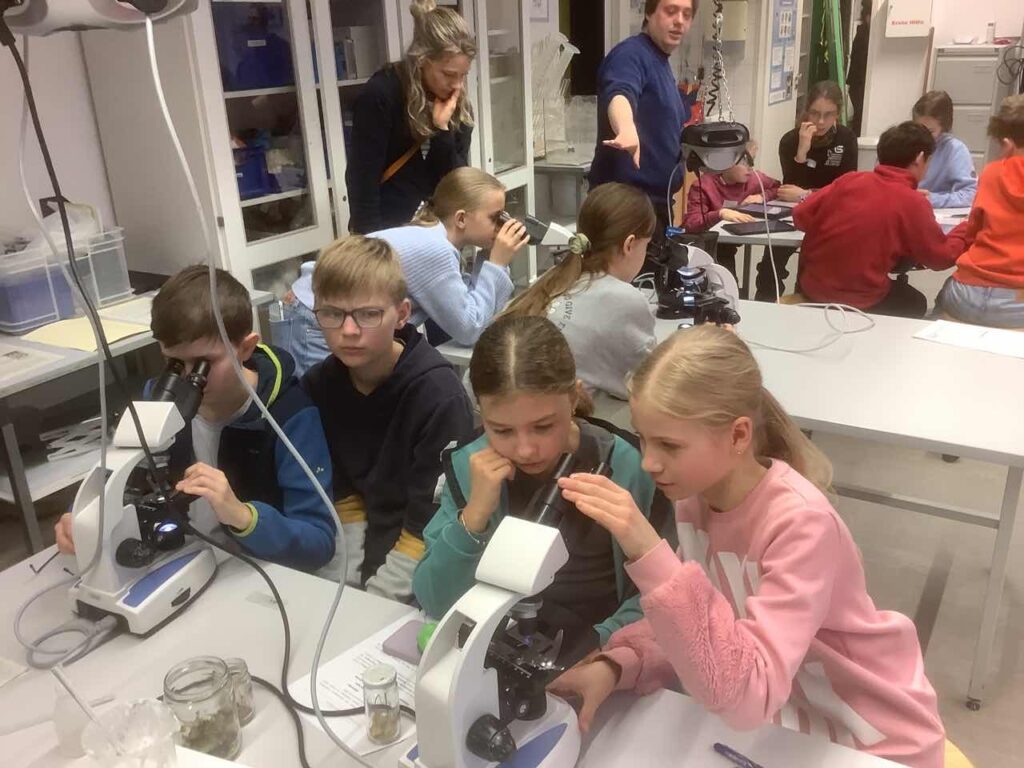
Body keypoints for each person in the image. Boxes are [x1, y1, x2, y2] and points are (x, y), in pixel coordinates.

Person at [549, 325, 945, 768]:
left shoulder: (800, 523)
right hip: (784, 728)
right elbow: (701, 623)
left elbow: (746, 695)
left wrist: (649, 553)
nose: (648, 462)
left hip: (871, 740)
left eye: (669, 445)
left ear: (738, 436)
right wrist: (617, 665)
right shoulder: (696, 499)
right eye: (643, 438)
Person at [412, 315, 673, 665]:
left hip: (603, 652)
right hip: (501, 645)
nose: (525, 450)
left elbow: (663, 596)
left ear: (574, 397)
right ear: (481, 414)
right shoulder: (470, 465)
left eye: (543, 426)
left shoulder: (632, 468)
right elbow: (436, 599)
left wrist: (600, 650)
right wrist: (472, 518)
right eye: (501, 430)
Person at [54, 267, 337, 574]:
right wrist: (84, 515)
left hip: (261, 567)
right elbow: (118, 473)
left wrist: (244, 517)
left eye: (204, 364)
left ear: (245, 348)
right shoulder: (159, 399)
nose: (189, 379)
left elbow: (319, 543)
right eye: (174, 363)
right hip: (185, 555)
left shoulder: (290, 415)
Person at [301, 235, 474, 601]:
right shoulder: (319, 385)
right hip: (348, 555)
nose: (349, 331)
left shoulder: (439, 397)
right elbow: (341, 496)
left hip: (417, 567)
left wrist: (375, 600)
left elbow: (429, 521)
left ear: (402, 314)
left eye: (368, 314)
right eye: (332, 314)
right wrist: (343, 588)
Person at [280, 168, 529, 364]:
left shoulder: (434, 236)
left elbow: (472, 308)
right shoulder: (435, 249)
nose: (502, 225)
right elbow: (469, 328)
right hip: (319, 316)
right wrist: (497, 263)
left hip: (330, 312)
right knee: (322, 407)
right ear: (461, 219)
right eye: (495, 217)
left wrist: (490, 258)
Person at [792, 121, 969, 317]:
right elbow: (940, 258)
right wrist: (966, 229)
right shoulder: (913, 202)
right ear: (920, 158)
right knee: (915, 303)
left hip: (812, 287)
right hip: (860, 298)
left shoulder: (849, 180)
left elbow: (800, 216)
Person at [499, 183, 657, 400]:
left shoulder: (553, 278)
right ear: (629, 244)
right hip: (548, 417)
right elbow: (651, 388)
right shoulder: (626, 301)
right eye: (646, 245)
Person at [345, 0, 476, 234]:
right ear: (422, 60)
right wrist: (372, 242)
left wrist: (441, 130)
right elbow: (362, 181)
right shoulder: (382, 93)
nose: (457, 85)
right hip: (390, 230)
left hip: (439, 230)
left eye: (463, 75)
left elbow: (455, 184)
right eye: (448, 74)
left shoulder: (458, 103)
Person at [589, 0, 697, 264]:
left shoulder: (660, 62)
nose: (679, 21)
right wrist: (626, 128)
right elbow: (620, 93)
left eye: (687, 14)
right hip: (625, 211)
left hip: (655, 207)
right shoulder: (630, 55)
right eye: (670, 11)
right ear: (649, 12)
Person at [757, 81, 859, 301]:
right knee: (769, 268)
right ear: (806, 111)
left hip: (831, 214)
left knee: (813, 270)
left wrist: (807, 195)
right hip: (793, 213)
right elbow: (789, 188)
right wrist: (802, 152)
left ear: (837, 114)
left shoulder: (847, 139)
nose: (820, 121)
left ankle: (805, 303)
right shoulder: (790, 140)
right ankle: (764, 306)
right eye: (815, 113)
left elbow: (846, 189)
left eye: (828, 114)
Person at [937, 95, 1024, 328]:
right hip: (1018, 300)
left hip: (967, 294)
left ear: (1007, 144)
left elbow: (972, 232)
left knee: (942, 300)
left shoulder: (992, 173)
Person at [683, 141, 781, 278]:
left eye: (752, 161)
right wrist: (720, 214)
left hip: (730, 243)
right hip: (706, 247)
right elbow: (691, 223)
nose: (750, 168)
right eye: (744, 162)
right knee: (723, 277)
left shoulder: (754, 179)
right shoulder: (704, 185)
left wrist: (762, 196)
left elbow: (778, 188)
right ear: (725, 163)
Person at [912, 90, 979, 209]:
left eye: (930, 131)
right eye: (918, 128)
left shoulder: (955, 150)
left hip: (934, 212)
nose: (923, 135)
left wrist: (932, 199)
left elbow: (970, 195)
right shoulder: (904, 142)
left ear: (943, 127)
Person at [847, 0, 871, 136]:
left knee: (859, 118)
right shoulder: (864, 35)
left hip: (858, 85)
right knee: (859, 118)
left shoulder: (865, 33)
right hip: (859, 85)